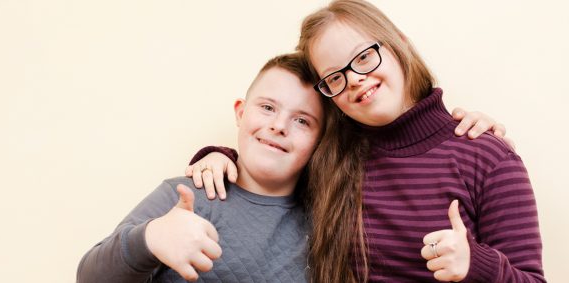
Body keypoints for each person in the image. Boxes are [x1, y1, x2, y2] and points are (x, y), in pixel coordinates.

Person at [186, 0, 544, 282]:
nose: (355, 78)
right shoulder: (332, 157)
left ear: (400, 44)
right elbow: (272, 165)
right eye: (335, 77)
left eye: (364, 57)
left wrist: (476, 265)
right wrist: (219, 157)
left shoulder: (486, 156)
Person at [77, 53, 324, 282]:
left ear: (321, 140)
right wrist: (149, 238)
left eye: (302, 121)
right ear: (240, 113)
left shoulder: (324, 221)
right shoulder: (186, 196)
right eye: (268, 107)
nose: (279, 125)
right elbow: (89, 278)